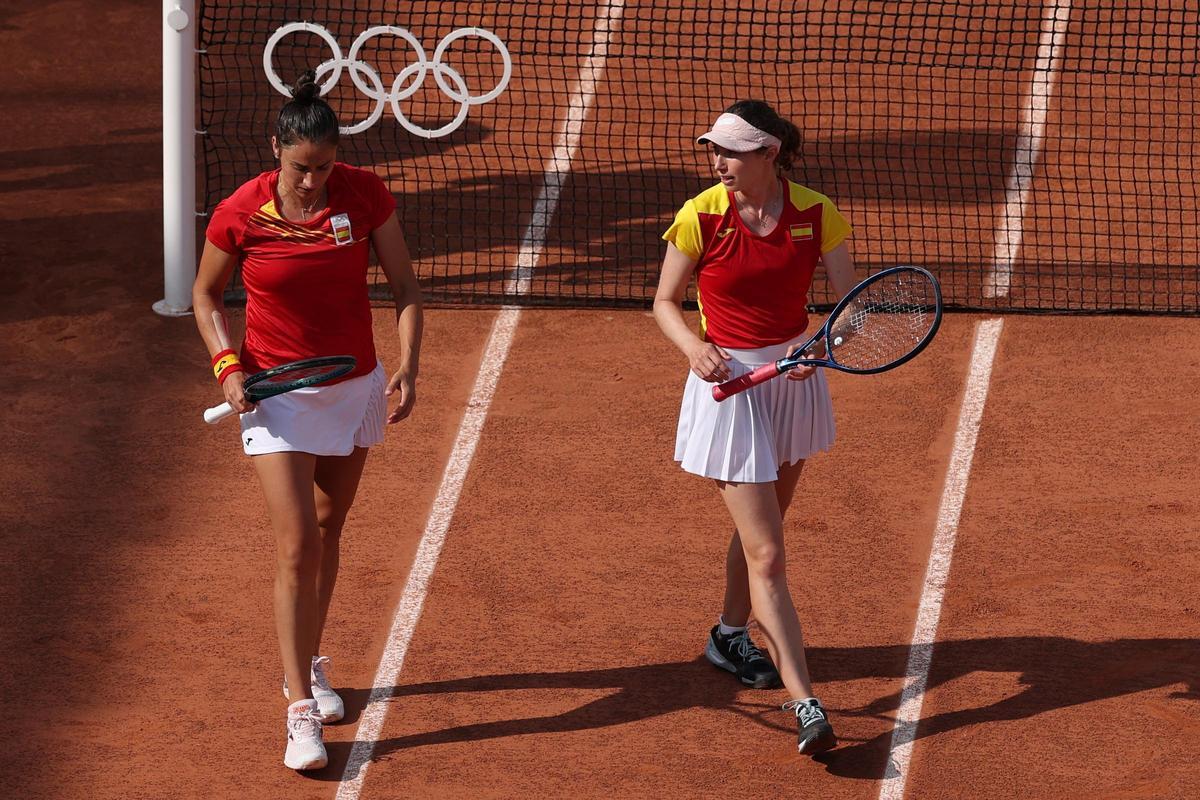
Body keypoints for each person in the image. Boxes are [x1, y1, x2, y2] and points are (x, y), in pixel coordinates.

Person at [191, 71, 423, 771]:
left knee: (328, 528)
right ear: (276, 151)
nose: (315, 181)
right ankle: (299, 711)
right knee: (296, 546)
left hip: (351, 386)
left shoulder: (365, 194)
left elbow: (406, 289)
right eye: (302, 167)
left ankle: (312, 662)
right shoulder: (241, 212)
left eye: (324, 167)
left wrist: (409, 364)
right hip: (275, 395)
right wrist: (227, 367)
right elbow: (206, 296)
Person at [653, 100, 857, 755]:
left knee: (762, 531)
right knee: (768, 552)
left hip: (791, 383)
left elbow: (848, 311)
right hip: (727, 388)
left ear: (770, 155)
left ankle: (728, 635)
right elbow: (663, 302)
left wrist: (819, 347)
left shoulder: (816, 214)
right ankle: (807, 705)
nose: (719, 163)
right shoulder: (702, 214)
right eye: (714, 151)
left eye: (732, 152)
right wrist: (692, 347)